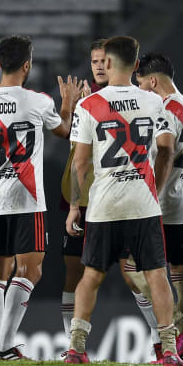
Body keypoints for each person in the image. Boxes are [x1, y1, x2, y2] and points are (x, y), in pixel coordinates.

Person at [63, 36, 183, 366]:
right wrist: (156, 188)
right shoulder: (153, 102)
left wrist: (76, 205)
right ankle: (170, 350)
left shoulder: (88, 106)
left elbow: (81, 162)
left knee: (91, 275)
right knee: (156, 274)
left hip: (104, 204)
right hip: (142, 203)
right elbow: (165, 149)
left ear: (106, 62)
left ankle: (76, 347)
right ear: (135, 65)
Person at [0, 35, 82, 360]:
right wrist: (68, 104)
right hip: (28, 199)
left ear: (0, 63)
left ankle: (0, 346)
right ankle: (2, 345)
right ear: (27, 65)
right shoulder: (38, 101)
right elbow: (66, 130)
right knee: (31, 270)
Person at [135, 52, 183, 365]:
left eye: (141, 86)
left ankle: (171, 338)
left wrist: (152, 193)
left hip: (170, 202)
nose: (141, 93)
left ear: (153, 81)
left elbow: (163, 154)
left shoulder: (165, 109)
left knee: (139, 270)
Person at [58, 39, 108, 339]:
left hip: (112, 197)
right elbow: (63, 134)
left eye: (104, 60)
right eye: (94, 61)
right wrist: (68, 105)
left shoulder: (123, 97)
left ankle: (159, 339)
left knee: (133, 273)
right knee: (74, 270)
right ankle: (71, 342)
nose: (99, 66)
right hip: (77, 195)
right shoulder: (81, 96)